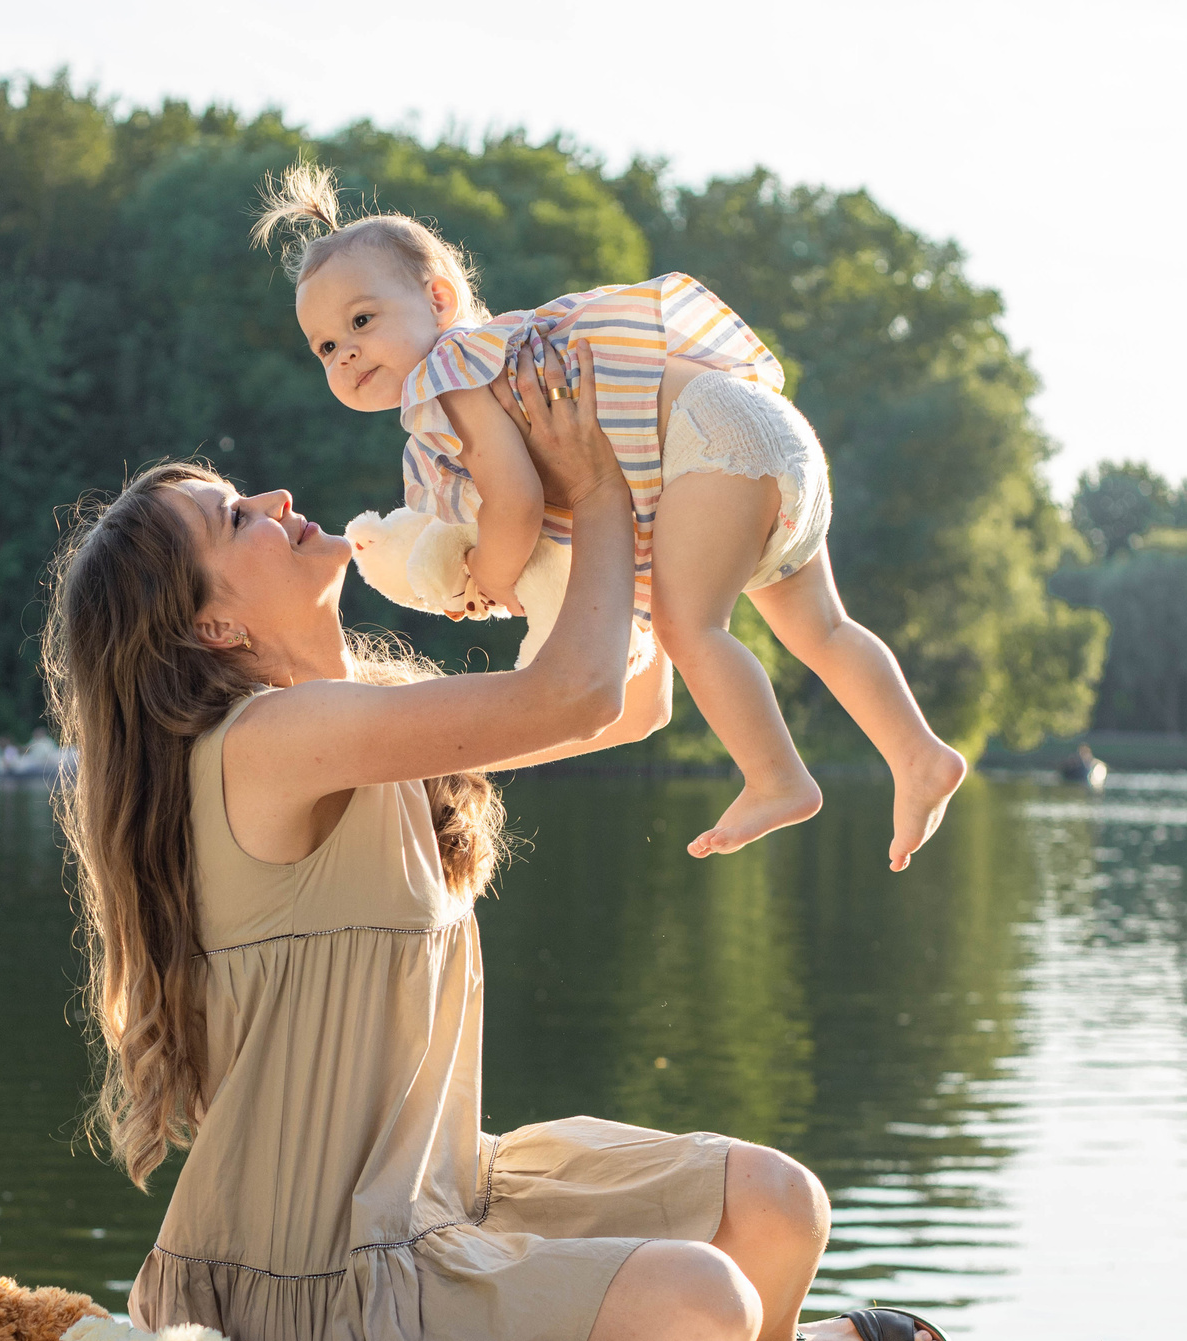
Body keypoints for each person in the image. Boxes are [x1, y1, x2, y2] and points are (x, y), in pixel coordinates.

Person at [41, 335, 951, 1341]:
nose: (276, 497)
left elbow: (631, 699)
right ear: (213, 623)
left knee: (776, 1204)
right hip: (317, 1283)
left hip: (442, 1199)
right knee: (704, 1298)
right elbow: (570, 695)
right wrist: (595, 493)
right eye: (235, 517)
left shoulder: (360, 712)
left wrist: (586, 525)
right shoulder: (265, 742)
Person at [254, 164, 966, 871]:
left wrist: (488, 576)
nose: (345, 352)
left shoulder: (452, 371)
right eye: (324, 347)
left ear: (439, 301)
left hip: (710, 441)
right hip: (767, 440)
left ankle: (778, 777)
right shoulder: (501, 358)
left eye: (362, 321)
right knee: (823, 627)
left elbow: (517, 502)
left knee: (692, 627)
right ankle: (918, 754)